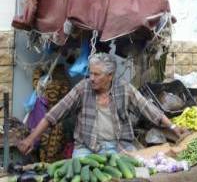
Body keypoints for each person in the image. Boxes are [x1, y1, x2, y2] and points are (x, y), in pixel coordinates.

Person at [17, 53, 186, 158]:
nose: (92, 77)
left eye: (97, 74)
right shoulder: (83, 88)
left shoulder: (124, 89)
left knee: (128, 180)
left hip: (119, 146)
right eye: (90, 73)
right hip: (87, 148)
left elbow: (149, 110)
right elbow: (53, 114)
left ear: (110, 75)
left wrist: (172, 126)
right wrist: (31, 139)